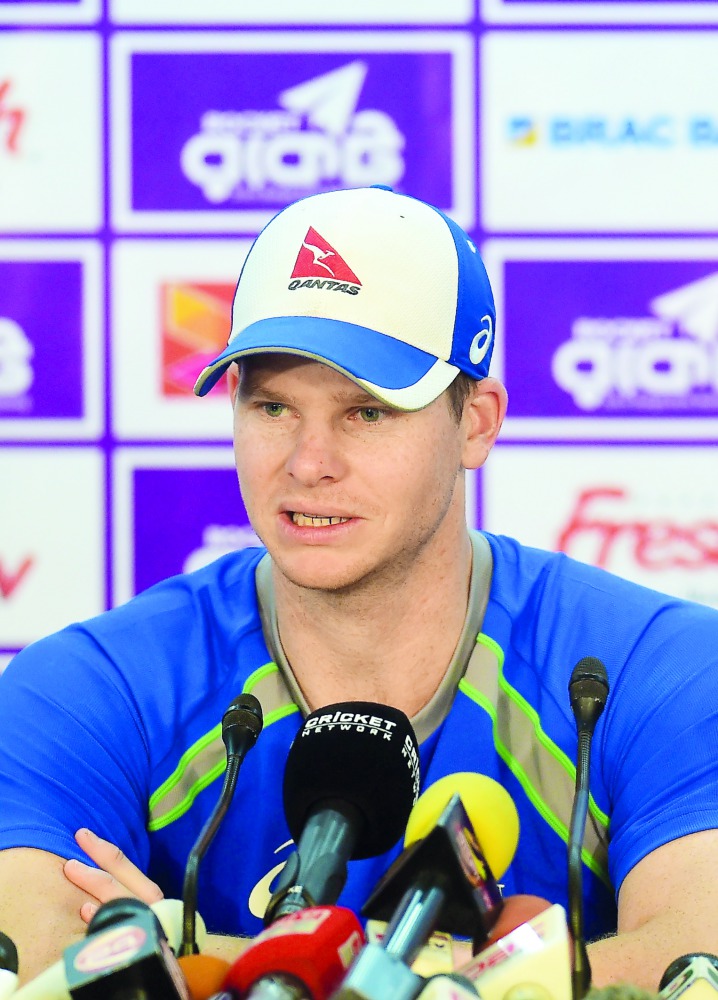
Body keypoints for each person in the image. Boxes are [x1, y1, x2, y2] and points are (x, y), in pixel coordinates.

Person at [1, 184, 718, 991]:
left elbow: (693, 958)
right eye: (273, 407)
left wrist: (195, 956)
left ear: (476, 422)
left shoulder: (656, 669)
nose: (308, 463)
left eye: (366, 413)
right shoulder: (87, 687)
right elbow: (35, 958)